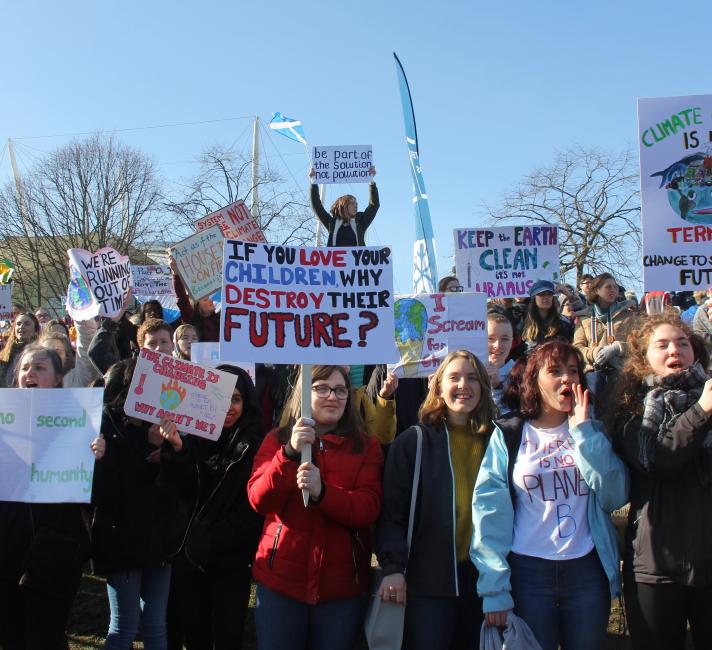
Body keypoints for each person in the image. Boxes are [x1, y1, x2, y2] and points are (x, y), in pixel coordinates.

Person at [471, 341, 628, 650]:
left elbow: (615, 496)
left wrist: (584, 432)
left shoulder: (592, 430)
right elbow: (489, 513)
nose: (567, 379)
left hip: (586, 571)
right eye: (555, 371)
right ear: (534, 381)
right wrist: (495, 590)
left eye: (573, 371)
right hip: (528, 573)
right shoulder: (510, 433)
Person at [248, 365, 383, 650]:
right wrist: (288, 454)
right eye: (322, 388)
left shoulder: (366, 447)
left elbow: (367, 508)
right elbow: (259, 499)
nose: (332, 396)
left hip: (341, 590)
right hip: (281, 585)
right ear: (304, 391)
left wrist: (323, 493)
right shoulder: (277, 440)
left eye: (340, 390)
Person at [605, 313, 712, 649]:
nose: (674, 350)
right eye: (661, 344)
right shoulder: (630, 411)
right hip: (655, 569)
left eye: (683, 342)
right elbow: (659, 459)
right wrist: (703, 411)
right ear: (643, 358)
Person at [376, 350, 496, 649]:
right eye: (454, 377)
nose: (463, 385)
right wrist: (393, 569)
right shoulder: (413, 442)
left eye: (472, 378)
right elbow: (391, 513)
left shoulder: (498, 440)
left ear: (483, 386)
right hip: (428, 584)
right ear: (438, 386)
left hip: (483, 584)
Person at [0, 344, 104, 650]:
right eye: (25, 368)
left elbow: (94, 495)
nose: (30, 373)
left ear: (59, 378)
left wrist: (98, 459)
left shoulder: (78, 420)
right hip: (7, 548)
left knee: (46, 635)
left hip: (57, 550)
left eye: (40, 367)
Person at [91, 359, 190, 650]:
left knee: (156, 626)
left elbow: (183, 483)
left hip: (159, 537)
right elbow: (106, 490)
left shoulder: (165, 425)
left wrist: (175, 451)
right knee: (124, 627)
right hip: (121, 538)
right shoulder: (104, 427)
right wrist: (147, 449)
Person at [164, 365, 264, 650]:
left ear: (247, 402)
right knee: (195, 634)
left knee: (228, 635)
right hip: (190, 560)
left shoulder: (255, 445)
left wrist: (214, 538)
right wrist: (178, 450)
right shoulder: (191, 438)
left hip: (230, 560)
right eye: (221, 398)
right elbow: (181, 491)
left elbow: (253, 508)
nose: (228, 407)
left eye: (236, 399)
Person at [573, 272, 638, 406]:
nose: (613, 290)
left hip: (621, 371)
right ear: (596, 290)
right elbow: (576, 349)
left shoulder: (628, 315)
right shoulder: (585, 318)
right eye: (608, 287)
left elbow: (640, 345)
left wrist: (617, 348)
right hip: (593, 375)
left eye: (615, 287)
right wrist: (594, 352)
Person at [308, 167, 378, 247]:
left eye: (356, 204)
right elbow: (317, 206)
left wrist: (371, 181)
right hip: (335, 259)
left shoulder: (361, 221)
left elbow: (374, 205)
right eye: (352, 203)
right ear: (343, 206)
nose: (355, 206)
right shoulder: (332, 223)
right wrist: (313, 181)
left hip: (356, 259)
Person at [167, 252, 220, 342]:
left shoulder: (219, 320)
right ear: (197, 305)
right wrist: (175, 273)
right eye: (205, 300)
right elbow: (182, 299)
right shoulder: (191, 319)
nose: (210, 301)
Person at [39, 319, 101, 387]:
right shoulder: (31, 379)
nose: (53, 356)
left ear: (66, 355)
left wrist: (81, 313)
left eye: (57, 352)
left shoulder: (77, 377)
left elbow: (86, 337)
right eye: (48, 352)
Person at [521, 280, 573, 350]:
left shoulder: (564, 323)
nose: (546, 297)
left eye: (549, 294)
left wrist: (568, 294)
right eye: (541, 294)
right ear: (534, 298)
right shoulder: (522, 322)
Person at [0, 312, 41, 387]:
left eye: (27, 324)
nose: (21, 326)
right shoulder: (4, 354)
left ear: (36, 330)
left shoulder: (42, 354)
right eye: (18, 324)